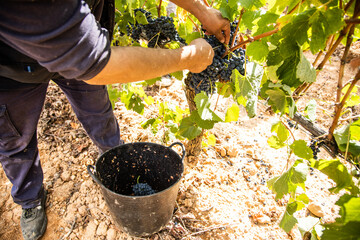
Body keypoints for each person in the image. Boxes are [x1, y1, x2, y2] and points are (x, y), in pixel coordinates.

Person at [0, 0, 230, 239]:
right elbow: (97, 63)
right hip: (12, 69)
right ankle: (30, 200)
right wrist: (188, 57)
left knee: (98, 113)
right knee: (15, 141)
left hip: (80, 42)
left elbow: (87, 56)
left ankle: (114, 159)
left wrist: (202, 12)